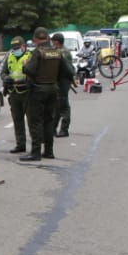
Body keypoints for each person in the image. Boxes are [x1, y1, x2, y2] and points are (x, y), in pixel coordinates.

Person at [19, 28, 74, 162]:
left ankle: (36, 152)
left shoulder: (38, 52)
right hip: (53, 89)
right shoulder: (57, 52)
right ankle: (49, 151)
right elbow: (69, 71)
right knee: (49, 121)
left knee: (36, 121)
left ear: (36, 39)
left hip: (38, 90)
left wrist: (25, 65)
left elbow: (30, 70)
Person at [2, 36, 31, 154]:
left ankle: (36, 147)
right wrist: (5, 78)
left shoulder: (31, 56)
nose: (15, 50)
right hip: (14, 92)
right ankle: (20, 144)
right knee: (17, 121)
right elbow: (3, 72)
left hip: (27, 92)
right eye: (14, 48)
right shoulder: (10, 56)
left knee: (32, 121)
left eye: (18, 48)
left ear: (24, 46)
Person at [50, 32, 74, 139]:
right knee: (57, 105)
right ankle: (53, 128)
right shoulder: (62, 51)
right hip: (61, 81)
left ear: (57, 41)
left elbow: (61, 68)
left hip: (62, 81)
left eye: (53, 41)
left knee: (63, 105)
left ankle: (64, 129)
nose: (52, 43)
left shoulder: (62, 52)